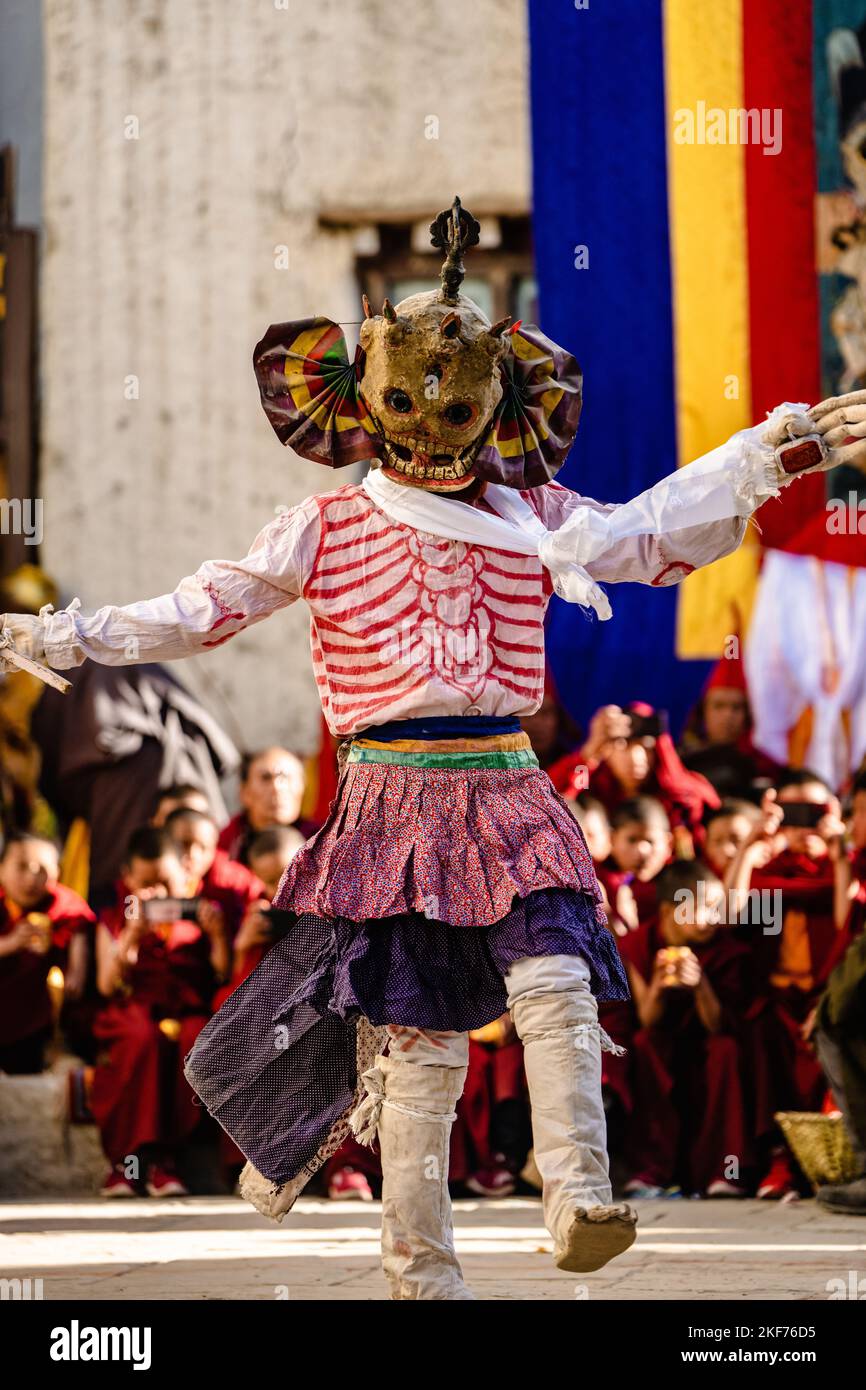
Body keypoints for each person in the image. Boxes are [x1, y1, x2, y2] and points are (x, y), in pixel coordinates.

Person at [1, 196, 858, 1298]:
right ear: (361, 401)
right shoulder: (321, 525)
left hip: (504, 784)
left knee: (554, 982)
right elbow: (199, 605)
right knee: (415, 1045)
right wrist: (67, 633)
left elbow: (647, 532)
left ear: (495, 399)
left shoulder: (533, 510)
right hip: (389, 800)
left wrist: (771, 446)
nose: (429, 415)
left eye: (449, 396)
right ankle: (419, 1273)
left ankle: (579, 1193)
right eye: (407, 395)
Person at [725, 770, 850, 1198]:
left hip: (828, 1000)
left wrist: (840, 855)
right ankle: (778, 1162)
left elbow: (844, 922)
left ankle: (832, 1166)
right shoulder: (771, 870)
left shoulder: (843, 866)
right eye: (792, 815)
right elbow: (732, 914)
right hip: (776, 1001)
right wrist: (750, 846)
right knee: (759, 1048)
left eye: (814, 813)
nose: (802, 826)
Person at [90, 826, 228, 1198]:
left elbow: (221, 973)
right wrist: (131, 937)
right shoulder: (115, 918)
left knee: (197, 1042)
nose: (158, 894)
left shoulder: (202, 912)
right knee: (140, 1040)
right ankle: (130, 1165)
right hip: (135, 1010)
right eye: (146, 884)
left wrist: (215, 937)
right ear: (127, 879)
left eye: (166, 883)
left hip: (188, 1010)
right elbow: (106, 985)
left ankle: (165, 1163)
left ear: (185, 873)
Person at [619, 860, 753, 1199]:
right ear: (669, 911)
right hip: (664, 1041)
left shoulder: (727, 948)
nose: (713, 919)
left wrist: (700, 984)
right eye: (702, 909)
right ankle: (653, 1171)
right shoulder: (639, 944)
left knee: (726, 1049)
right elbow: (648, 1018)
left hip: (708, 1043)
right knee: (645, 1042)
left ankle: (726, 1171)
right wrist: (661, 986)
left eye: (716, 908)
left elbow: (719, 1025)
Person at [553, 701, 719, 839]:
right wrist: (588, 753)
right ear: (607, 752)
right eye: (623, 746)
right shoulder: (592, 790)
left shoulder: (682, 796)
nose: (636, 757)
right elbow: (546, 804)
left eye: (646, 747)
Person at [0, 831, 94, 1073]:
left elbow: (78, 928)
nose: (31, 878)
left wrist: (76, 968)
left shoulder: (62, 903)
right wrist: (10, 943)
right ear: (1, 869)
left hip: (32, 1016)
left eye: (42, 869)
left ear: (58, 873)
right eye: (21, 866)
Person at [217, 748, 312, 865]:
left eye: (285, 777)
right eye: (266, 778)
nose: (277, 788)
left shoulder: (326, 843)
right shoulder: (223, 847)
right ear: (244, 792)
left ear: (303, 788)